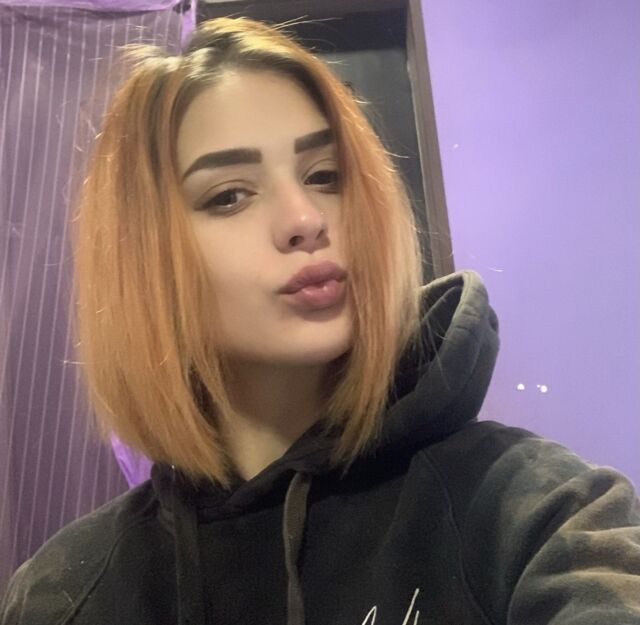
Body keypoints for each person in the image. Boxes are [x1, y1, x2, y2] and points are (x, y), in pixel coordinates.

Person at [1, 16, 639, 625]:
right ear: (142, 260)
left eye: (325, 176)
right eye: (229, 195)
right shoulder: (63, 595)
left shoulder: (535, 512)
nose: (305, 219)